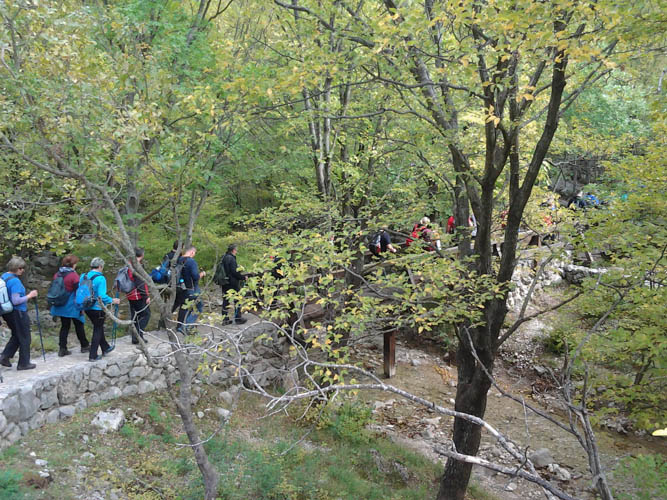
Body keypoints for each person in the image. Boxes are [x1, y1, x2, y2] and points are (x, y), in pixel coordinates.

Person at [0, 257, 38, 370]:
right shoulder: (15, 281)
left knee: (17, 334)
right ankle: (24, 363)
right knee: (25, 336)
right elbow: (16, 300)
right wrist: (30, 295)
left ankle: (5, 357)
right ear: (16, 268)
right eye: (21, 268)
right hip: (18, 312)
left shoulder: (4, 277)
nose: (23, 270)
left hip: (7, 312)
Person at [50, 254, 89, 357]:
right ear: (73, 264)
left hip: (60, 304)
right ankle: (84, 345)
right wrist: (82, 306)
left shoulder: (57, 274)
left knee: (65, 326)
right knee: (79, 324)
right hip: (72, 305)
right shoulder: (73, 276)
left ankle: (62, 349)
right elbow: (78, 292)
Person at [82, 257, 120, 361]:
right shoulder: (101, 278)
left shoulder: (84, 276)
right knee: (98, 329)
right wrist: (112, 300)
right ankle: (93, 355)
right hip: (97, 308)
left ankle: (105, 347)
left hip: (86, 306)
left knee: (98, 326)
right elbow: (102, 296)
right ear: (100, 266)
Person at [174, 246, 205, 333]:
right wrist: (202, 274)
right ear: (192, 252)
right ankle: (187, 326)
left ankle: (179, 326)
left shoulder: (179, 260)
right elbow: (195, 277)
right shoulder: (191, 262)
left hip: (180, 287)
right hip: (191, 289)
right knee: (199, 306)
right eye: (194, 253)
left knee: (183, 307)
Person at [126, 248, 150, 345]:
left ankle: (135, 338)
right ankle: (138, 336)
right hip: (138, 295)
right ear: (142, 255)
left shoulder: (129, 264)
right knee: (146, 314)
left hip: (130, 294)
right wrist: (146, 296)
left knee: (135, 316)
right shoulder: (137, 266)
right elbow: (140, 283)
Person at [220, 244, 247, 325]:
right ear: (233, 250)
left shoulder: (223, 257)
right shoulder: (231, 258)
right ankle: (238, 318)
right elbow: (234, 272)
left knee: (226, 301)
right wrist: (243, 277)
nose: (236, 251)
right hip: (232, 283)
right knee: (237, 299)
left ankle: (225, 319)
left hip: (224, 282)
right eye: (236, 250)